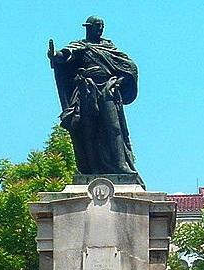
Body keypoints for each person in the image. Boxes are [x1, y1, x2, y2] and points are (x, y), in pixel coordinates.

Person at [48, 16, 140, 177]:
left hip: (108, 90)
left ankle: (121, 165)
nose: (100, 29)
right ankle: (90, 169)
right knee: (88, 130)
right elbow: (66, 54)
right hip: (87, 91)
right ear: (88, 27)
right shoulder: (81, 46)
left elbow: (130, 68)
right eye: (97, 26)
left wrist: (118, 82)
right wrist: (55, 55)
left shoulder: (109, 47)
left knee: (114, 127)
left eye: (102, 26)